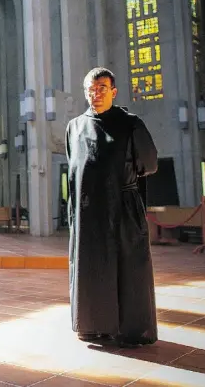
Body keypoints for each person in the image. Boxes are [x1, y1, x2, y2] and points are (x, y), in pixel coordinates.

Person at [65, 67, 158, 347]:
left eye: (102, 88)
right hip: (87, 213)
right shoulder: (75, 127)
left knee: (127, 266)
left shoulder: (130, 123)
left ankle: (130, 329)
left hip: (122, 209)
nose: (96, 94)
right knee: (91, 268)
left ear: (114, 92)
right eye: (90, 90)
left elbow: (149, 164)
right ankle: (92, 326)